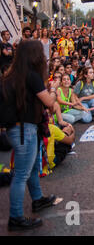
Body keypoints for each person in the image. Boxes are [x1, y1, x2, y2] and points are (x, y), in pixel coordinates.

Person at [0, 40, 58, 231]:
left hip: (18, 129)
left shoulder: (10, 76)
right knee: (21, 174)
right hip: (25, 130)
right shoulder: (31, 77)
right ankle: (16, 217)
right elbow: (49, 102)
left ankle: (38, 199)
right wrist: (54, 89)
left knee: (32, 168)